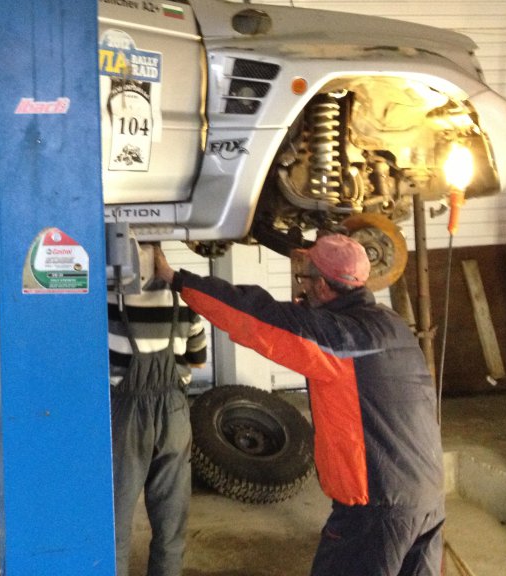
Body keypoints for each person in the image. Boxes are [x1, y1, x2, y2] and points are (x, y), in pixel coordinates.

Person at [151, 234, 445, 576]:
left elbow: (252, 317)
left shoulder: (335, 338)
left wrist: (177, 279)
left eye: (305, 278)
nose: (301, 286)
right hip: (427, 496)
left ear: (322, 286)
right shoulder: (390, 323)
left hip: (376, 506)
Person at [108, 242, 207, 576]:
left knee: (116, 518)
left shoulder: (107, 299)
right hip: (174, 413)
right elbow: (199, 359)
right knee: (171, 518)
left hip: (126, 416)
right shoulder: (185, 300)